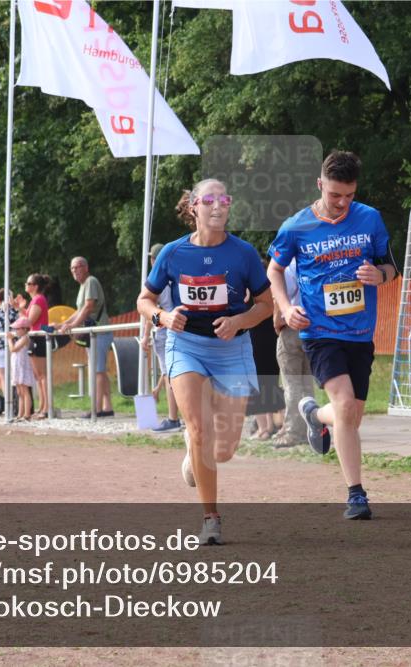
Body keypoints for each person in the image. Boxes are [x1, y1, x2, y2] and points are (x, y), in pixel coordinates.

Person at [136, 178, 272, 545]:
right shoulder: (173, 253)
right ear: (193, 206)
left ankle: (193, 454)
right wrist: (162, 318)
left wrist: (238, 321)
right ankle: (210, 518)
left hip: (232, 348)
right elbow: (145, 299)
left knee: (224, 449)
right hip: (187, 344)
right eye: (208, 200)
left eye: (223, 199)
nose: (217, 206)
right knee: (198, 428)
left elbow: (265, 305)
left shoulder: (243, 253)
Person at [267, 150, 395, 520]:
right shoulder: (296, 227)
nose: (341, 203)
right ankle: (356, 494)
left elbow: (391, 265)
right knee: (344, 405)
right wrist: (287, 308)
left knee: (351, 414)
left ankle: (313, 415)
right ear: (320, 184)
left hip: (359, 331)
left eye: (349, 195)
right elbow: (274, 271)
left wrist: (380, 275)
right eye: (335, 194)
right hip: (319, 331)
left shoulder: (369, 219)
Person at [58, 257, 113, 418]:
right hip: (95, 333)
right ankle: (107, 407)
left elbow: (88, 307)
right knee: (99, 371)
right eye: (72, 268)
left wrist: (73, 325)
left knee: (97, 371)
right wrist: (64, 323)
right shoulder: (84, 285)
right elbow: (80, 310)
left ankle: (96, 409)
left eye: (78, 267)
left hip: (99, 332)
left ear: (86, 267)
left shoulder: (90, 282)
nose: (75, 270)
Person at [271, 258, 316, 448]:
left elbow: (278, 295)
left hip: (291, 325)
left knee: (291, 382)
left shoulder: (288, 266)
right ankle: (310, 427)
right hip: (313, 326)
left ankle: (293, 431)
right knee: (307, 382)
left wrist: (276, 320)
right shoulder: (315, 258)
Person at [141, 243, 182, 432]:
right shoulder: (177, 273)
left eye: (151, 258)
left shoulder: (157, 278)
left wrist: (144, 336)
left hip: (164, 328)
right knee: (172, 373)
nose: (150, 261)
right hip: (179, 325)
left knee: (169, 375)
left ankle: (173, 418)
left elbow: (151, 308)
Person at [244, 256, 285, 438]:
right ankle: (277, 424)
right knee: (271, 383)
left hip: (253, 339)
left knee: (255, 384)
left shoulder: (245, 289)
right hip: (272, 338)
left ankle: (264, 428)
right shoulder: (271, 290)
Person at [22, 273, 51, 419]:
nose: (26, 286)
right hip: (35, 337)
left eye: (28, 283)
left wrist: (19, 319)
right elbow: (29, 319)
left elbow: (30, 321)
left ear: (35, 286)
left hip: (38, 338)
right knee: (38, 376)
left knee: (42, 375)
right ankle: (42, 406)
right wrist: (19, 308)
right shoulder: (34, 300)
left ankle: (46, 407)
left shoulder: (38, 299)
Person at [9, 316, 36, 421]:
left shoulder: (25, 338)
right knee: (19, 392)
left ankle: (27, 414)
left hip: (22, 368)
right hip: (17, 367)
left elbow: (13, 349)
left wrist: (9, 340)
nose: (15, 331)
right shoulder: (20, 339)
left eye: (18, 328)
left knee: (25, 391)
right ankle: (20, 414)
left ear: (25, 329)